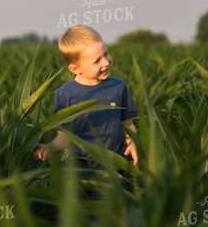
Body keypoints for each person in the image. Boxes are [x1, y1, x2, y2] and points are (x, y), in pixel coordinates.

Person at [34, 25, 138, 171]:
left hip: (117, 171)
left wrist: (133, 142)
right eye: (97, 61)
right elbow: (65, 136)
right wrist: (49, 148)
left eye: (106, 53)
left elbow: (127, 124)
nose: (106, 62)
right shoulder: (65, 95)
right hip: (82, 175)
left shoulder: (119, 87)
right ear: (75, 69)